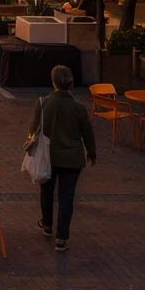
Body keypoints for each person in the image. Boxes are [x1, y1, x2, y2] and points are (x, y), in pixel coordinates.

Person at [28, 64, 97, 252]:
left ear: (53, 82)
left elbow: (32, 130)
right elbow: (87, 134)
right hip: (73, 158)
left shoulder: (43, 103)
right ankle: (62, 238)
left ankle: (47, 223)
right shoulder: (79, 107)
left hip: (49, 156)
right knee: (67, 198)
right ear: (71, 83)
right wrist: (92, 154)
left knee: (47, 192)